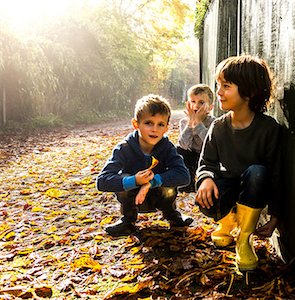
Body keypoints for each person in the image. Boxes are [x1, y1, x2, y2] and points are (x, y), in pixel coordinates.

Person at [195, 55, 282, 271]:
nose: (219, 92)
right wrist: (205, 178)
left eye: (226, 86)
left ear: (249, 92)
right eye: (218, 85)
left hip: (254, 190)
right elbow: (206, 162)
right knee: (210, 190)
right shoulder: (218, 127)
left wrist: (276, 216)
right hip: (230, 184)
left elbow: (277, 176)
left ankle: (244, 239)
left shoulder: (269, 129)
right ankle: (226, 223)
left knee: (258, 172)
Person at [97, 94, 193, 237]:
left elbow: (184, 176)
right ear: (136, 124)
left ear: (166, 128)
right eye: (148, 123)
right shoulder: (124, 148)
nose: (154, 129)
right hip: (133, 197)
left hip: (160, 195)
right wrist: (134, 181)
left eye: (160, 124)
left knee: (170, 178)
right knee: (122, 177)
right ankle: (128, 220)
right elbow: (102, 181)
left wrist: (153, 181)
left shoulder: (167, 148)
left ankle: (172, 214)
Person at [177, 84, 215, 192]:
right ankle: (187, 182)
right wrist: (190, 124)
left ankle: (203, 181)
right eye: (193, 102)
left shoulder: (213, 122)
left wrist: (198, 123)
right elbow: (183, 144)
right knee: (178, 150)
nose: (196, 106)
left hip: (207, 157)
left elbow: (209, 143)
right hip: (191, 156)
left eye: (201, 102)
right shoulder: (184, 122)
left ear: (211, 107)